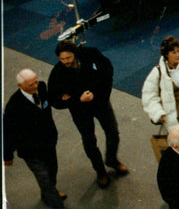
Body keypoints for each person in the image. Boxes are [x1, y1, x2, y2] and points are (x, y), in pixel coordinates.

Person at [48, 40, 127, 188]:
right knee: (89, 140)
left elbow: (107, 72)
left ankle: (112, 159)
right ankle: (100, 171)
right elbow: (54, 99)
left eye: (68, 58)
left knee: (113, 132)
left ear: (75, 54)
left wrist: (97, 95)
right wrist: (78, 99)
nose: (65, 62)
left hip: (101, 103)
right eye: (62, 59)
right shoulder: (58, 73)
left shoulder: (90, 54)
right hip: (80, 111)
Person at [4, 69, 65, 208]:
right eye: (31, 85)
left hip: (49, 143)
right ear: (20, 86)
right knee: (45, 179)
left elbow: (50, 104)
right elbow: (9, 132)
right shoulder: (14, 106)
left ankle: (48, 194)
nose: (35, 86)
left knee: (52, 171)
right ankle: (55, 202)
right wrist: (7, 156)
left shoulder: (42, 87)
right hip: (31, 150)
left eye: (36, 81)